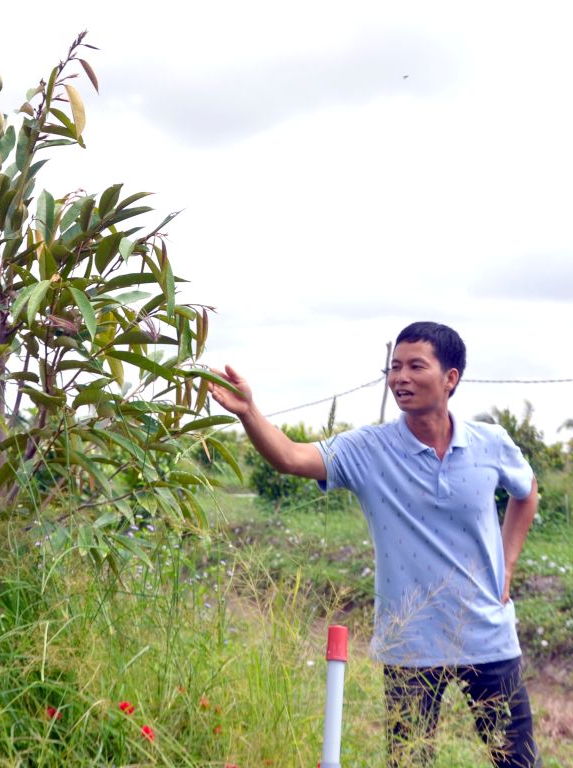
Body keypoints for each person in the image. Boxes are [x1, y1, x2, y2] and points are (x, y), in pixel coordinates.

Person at [210, 321, 541, 767]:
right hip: (410, 642)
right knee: (408, 762)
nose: (400, 377)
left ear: (451, 378)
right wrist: (248, 412)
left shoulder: (491, 443)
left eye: (415, 366)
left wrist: (510, 561)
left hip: (488, 636)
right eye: (394, 367)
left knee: (517, 761)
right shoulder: (369, 449)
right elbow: (290, 457)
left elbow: (526, 492)